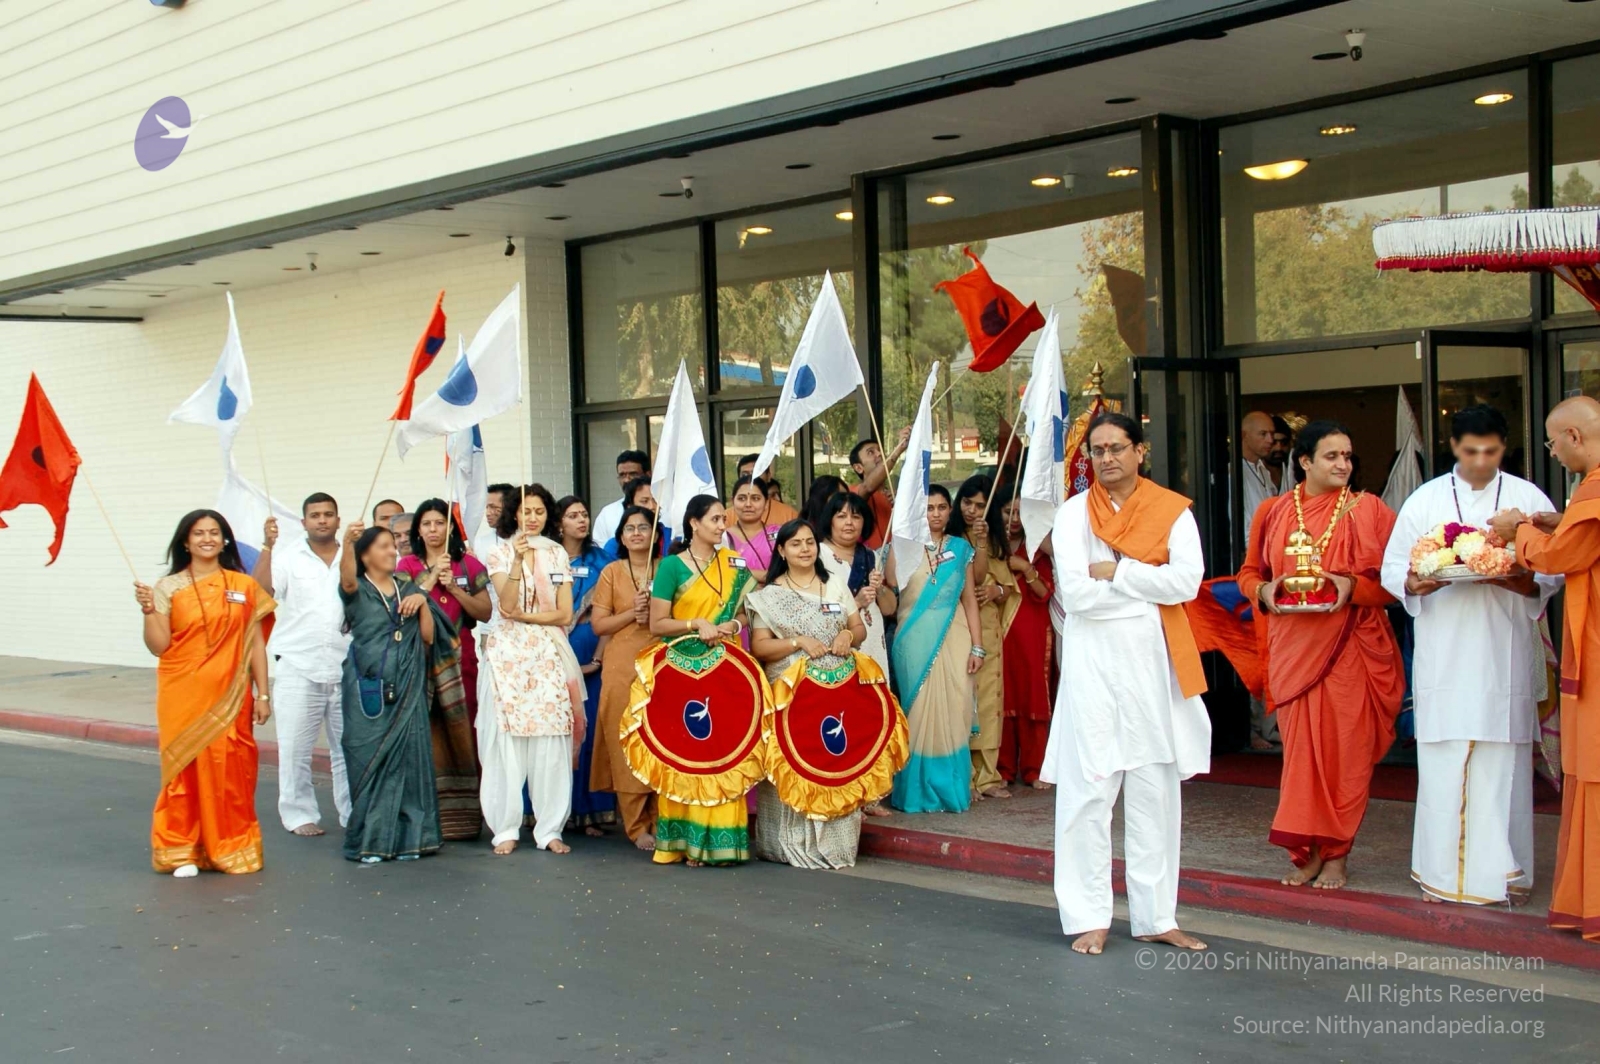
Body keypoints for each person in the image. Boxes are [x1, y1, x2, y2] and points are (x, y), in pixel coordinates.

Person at [1043, 412, 1211, 955]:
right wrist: (1147, 583)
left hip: (1152, 665)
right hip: (1093, 666)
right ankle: (1088, 915)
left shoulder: (1171, 512)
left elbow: (1186, 582)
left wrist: (1117, 572)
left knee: (1154, 794)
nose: (1107, 458)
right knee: (1087, 794)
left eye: (1117, 447)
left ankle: (1156, 915)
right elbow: (1076, 593)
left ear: (1141, 451)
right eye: (1097, 450)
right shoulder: (1073, 515)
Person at [1382, 404, 1558, 906]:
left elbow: (1554, 569)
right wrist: (1417, 581)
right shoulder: (1427, 497)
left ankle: (1504, 873)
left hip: (1503, 648)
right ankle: (1441, 875)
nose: (1480, 458)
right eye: (1470, 448)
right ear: (1454, 448)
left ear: (1503, 447)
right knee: (1445, 759)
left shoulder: (1527, 498)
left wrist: (1521, 577)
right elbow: (1393, 569)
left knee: (1503, 762)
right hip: (1446, 648)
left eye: (1490, 449)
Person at [1237, 420, 1405, 890]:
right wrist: (1265, 591)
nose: (1343, 465)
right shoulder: (1272, 512)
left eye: (1347, 457)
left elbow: (1394, 584)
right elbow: (1249, 573)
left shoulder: (1369, 510)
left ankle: (1337, 855)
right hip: (1294, 650)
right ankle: (1307, 850)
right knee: (1303, 759)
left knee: (1346, 757)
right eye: (1331, 456)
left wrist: (1349, 587)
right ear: (1305, 461)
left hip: (1351, 647)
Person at [1490, 395, 1600, 941]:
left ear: (1575, 438)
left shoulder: (1597, 487)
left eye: (1554, 444)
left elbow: (1563, 557)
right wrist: (1558, 522)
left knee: (1596, 774)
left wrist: (1518, 532)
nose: (1553, 454)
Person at [134, 511, 275, 877]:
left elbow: (255, 642)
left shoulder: (242, 586)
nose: (207, 539)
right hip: (183, 694)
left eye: (214, 533)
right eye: (199, 533)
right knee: (184, 773)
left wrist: (263, 694)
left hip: (232, 694)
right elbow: (159, 645)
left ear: (224, 539)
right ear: (185, 541)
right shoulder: (167, 588)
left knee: (232, 771)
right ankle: (182, 849)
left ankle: (231, 846)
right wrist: (149, 611)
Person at [748, 519, 869, 867]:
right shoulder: (769, 596)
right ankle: (785, 842)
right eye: (796, 543)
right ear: (782, 551)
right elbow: (760, 647)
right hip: (790, 694)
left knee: (834, 759)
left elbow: (857, 627)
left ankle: (835, 842)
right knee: (793, 762)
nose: (805, 549)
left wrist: (849, 636)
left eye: (810, 542)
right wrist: (797, 641)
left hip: (835, 693)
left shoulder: (834, 586)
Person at [646, 494, 758, 865]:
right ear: (693, 523)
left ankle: (721, 842)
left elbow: (743, 611)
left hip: (725, 667)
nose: (721, 525)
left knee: (724, 750)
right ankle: (685, 842)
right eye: (713, 519)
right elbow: (656, 624)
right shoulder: (672, 567)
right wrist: (697, 623)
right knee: (687, 752)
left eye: (722, 520)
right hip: (681, 672)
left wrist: (734, 624)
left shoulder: (734, 563)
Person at [338, 520, 458, 863]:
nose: (393, 551)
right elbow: (346, 579)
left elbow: (429, 637)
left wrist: (422, 602)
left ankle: (411, 841)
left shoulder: (407, 587)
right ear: (364, 556)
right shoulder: (356, 588)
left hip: (408, 686)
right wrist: (347, 543)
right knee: (370, 762)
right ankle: (371, 842)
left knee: (410, 763)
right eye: (383, 547)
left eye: (394, 545)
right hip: (367, 688)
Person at [479, 485, 586, 856]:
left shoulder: (556, 553)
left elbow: (564, 613)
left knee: (551, 740)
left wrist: (527, 617)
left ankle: (549, 828)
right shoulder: (499, 551)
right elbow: (505, 605)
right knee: (506, 741)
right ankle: (505, 827)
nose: (533, 517)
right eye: (526, 510)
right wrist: (516, 563)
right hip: (507, 654)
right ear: (514, 513)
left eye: (540, 511)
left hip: (547, 650)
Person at [251, 493, 351, 837]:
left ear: (338, 520)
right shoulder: (288, 557)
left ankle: (352, 814)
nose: (322, 520)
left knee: (348, 750)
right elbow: (261, 592)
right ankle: (298, 814)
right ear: (304, 521)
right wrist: (266, 547)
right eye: (315, 515)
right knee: (295, 749)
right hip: (298, 666)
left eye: (328, 514)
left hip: (345, 666)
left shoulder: (352, 556)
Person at [398, 497, 491, 839]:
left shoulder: (469, 565)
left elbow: (484, 613)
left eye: (440, 523)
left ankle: (465, 819)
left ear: (450, 528)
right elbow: (402, 604)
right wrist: (430, 578)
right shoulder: (406, 565)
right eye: (427, 524)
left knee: (463, 730)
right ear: (418, 530)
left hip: (460, 656)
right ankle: (424, 817)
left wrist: (452, 586)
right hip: (419, 657)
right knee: (424, 732)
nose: (434, 530)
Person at [890, 484, 984, 813]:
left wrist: (978, 647)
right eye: (928, 508)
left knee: (955, 709)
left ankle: (951, 788)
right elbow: (889, 589)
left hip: (955, 636)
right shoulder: (903, 547)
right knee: (916, 714)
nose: (935, 514)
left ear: (950, 510)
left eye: (942, 507)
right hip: (913, 639)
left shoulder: (960, 549)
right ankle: (915, 791)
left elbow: (970, 600)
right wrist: (900, 540)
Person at [589, 505, 664, 850]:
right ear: (620, 536)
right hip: (621, 664)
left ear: (654, 534)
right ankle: (636, 826)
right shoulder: (611, 572)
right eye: (629, 528)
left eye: (643, 527)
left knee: (661, 737)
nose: (636, 533)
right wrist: (631, 614)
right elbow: (599, 625)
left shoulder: (666, 569)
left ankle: (664, 816)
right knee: (626, 739)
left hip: (662, 662)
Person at [555, 494, 618, 836]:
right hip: (551, 654)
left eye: (584, 514)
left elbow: (609, 608)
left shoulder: (602, 561)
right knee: (556, 734)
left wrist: (598, 657)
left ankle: (590, 813)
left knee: (589, 731)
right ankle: (554, 811)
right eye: (572, 515)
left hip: (591, 659)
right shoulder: (546, 557)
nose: (581, 520)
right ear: (559, 522)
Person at [988, 486, 1054, 789]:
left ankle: (1034, 768)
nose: (1014, 519)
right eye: (1007, 512)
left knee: (1032, 696)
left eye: (1019, 513)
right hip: (998, 631)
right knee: (1002, 697)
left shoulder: (1040, 548)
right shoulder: (988, 549)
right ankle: (1002, 769)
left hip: (1032, 632)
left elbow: (1044, 593)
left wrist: (1026, 568)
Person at [953, 474, 1008, 800]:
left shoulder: (996, 538)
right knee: (964, 699)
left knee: (988, 699)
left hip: (988, 627)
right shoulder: (948, 537)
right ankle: (967, 776)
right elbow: (972, 576)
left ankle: (988, 775)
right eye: (968, 503)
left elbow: (1000, 582)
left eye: (981, 505)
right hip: (957, 625)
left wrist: (997, 589)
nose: (973, 510)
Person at [1241, 411, 1292, 752]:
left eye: (1272, 435)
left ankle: (1269, 727)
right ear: (1244, 435)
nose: (1270, 441)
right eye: (1263, 435)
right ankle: (1254, 730)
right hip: (1250, 573)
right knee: (1250, 653)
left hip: (1272, 571)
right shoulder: (1237, 473)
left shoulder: (1263, 471)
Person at [850, 427, 911, 550]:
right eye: (871, 452)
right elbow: (868, 487)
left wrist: (902, 503)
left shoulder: (894, 494)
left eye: (879, 450)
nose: (879, 454)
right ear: (858, 468)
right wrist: (898, 450)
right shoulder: (852, 493)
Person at [725, 475, 779, 583]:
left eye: (755, 498)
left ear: (766, 503)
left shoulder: (779, 534)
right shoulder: (722, 538)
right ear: (733, 502)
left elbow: (790, 573)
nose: (748, 504)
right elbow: (719, 573)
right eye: (741, 498)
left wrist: (740, 572)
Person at [592, 450, 648, 553]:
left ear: (647, 474)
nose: (626, 480)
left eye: (633, 474)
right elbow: (601, 554)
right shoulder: (607, 514)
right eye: (622, 475)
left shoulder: (664, 509)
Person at [601, 475, 665, 556]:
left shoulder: (672, 538)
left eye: (656, 501)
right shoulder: (614, 546)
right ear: (630, 506)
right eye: (644, 501)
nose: (652, 506)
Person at [477, 482, 515, 558]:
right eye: (487, 507)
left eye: (493, 507)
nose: (488, 513)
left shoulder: (524, 540)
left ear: (509, 506)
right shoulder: (480, 543)